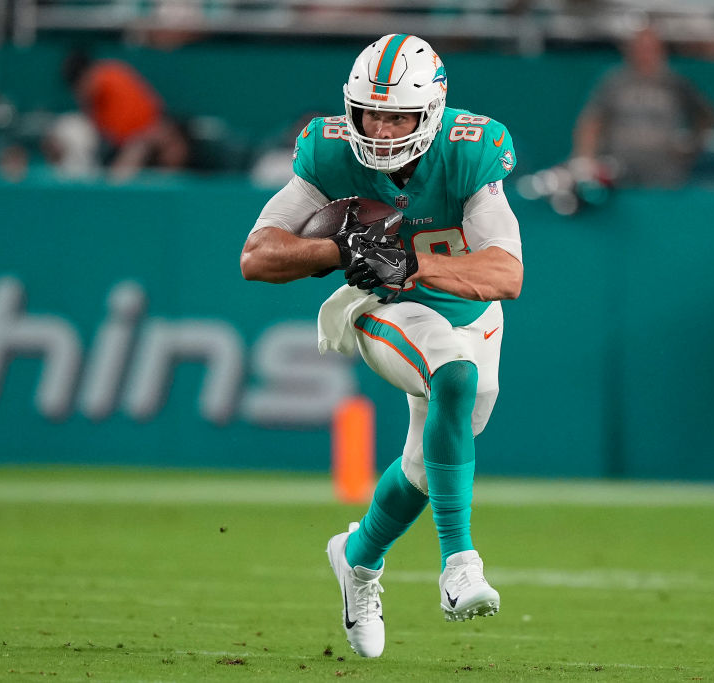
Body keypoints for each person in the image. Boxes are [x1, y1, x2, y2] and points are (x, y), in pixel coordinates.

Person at [240, 34, 523, 658]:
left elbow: (506, 275)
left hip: (471, 310)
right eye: (371, 111)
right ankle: (460, 567)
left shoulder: (470, 149)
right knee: (452, 375)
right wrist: (341, 250)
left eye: (397, 114)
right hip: (382, 309)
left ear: (430, 112)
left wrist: (411, 260)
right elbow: (256, 256)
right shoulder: (331, 151)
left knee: (426, 468)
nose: (382, 127)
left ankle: (358, 559)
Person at [571, 25, 714, 188]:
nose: (645, 53)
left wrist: (691, 144)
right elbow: (592, 120)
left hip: (664, 171)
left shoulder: (675, 83)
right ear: (629, 50)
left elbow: (705, 115)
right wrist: (585, 159)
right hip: (621, 167)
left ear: (661, 51)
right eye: (640, 48)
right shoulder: (614, 82)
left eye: (650, 48)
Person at [61, 50, 189, 181]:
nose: (80, 91)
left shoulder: (110, 76)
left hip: (149, 134)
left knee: (143, 151)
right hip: (118, 146)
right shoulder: (89, 101)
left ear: (88, 73)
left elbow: (148, 124)